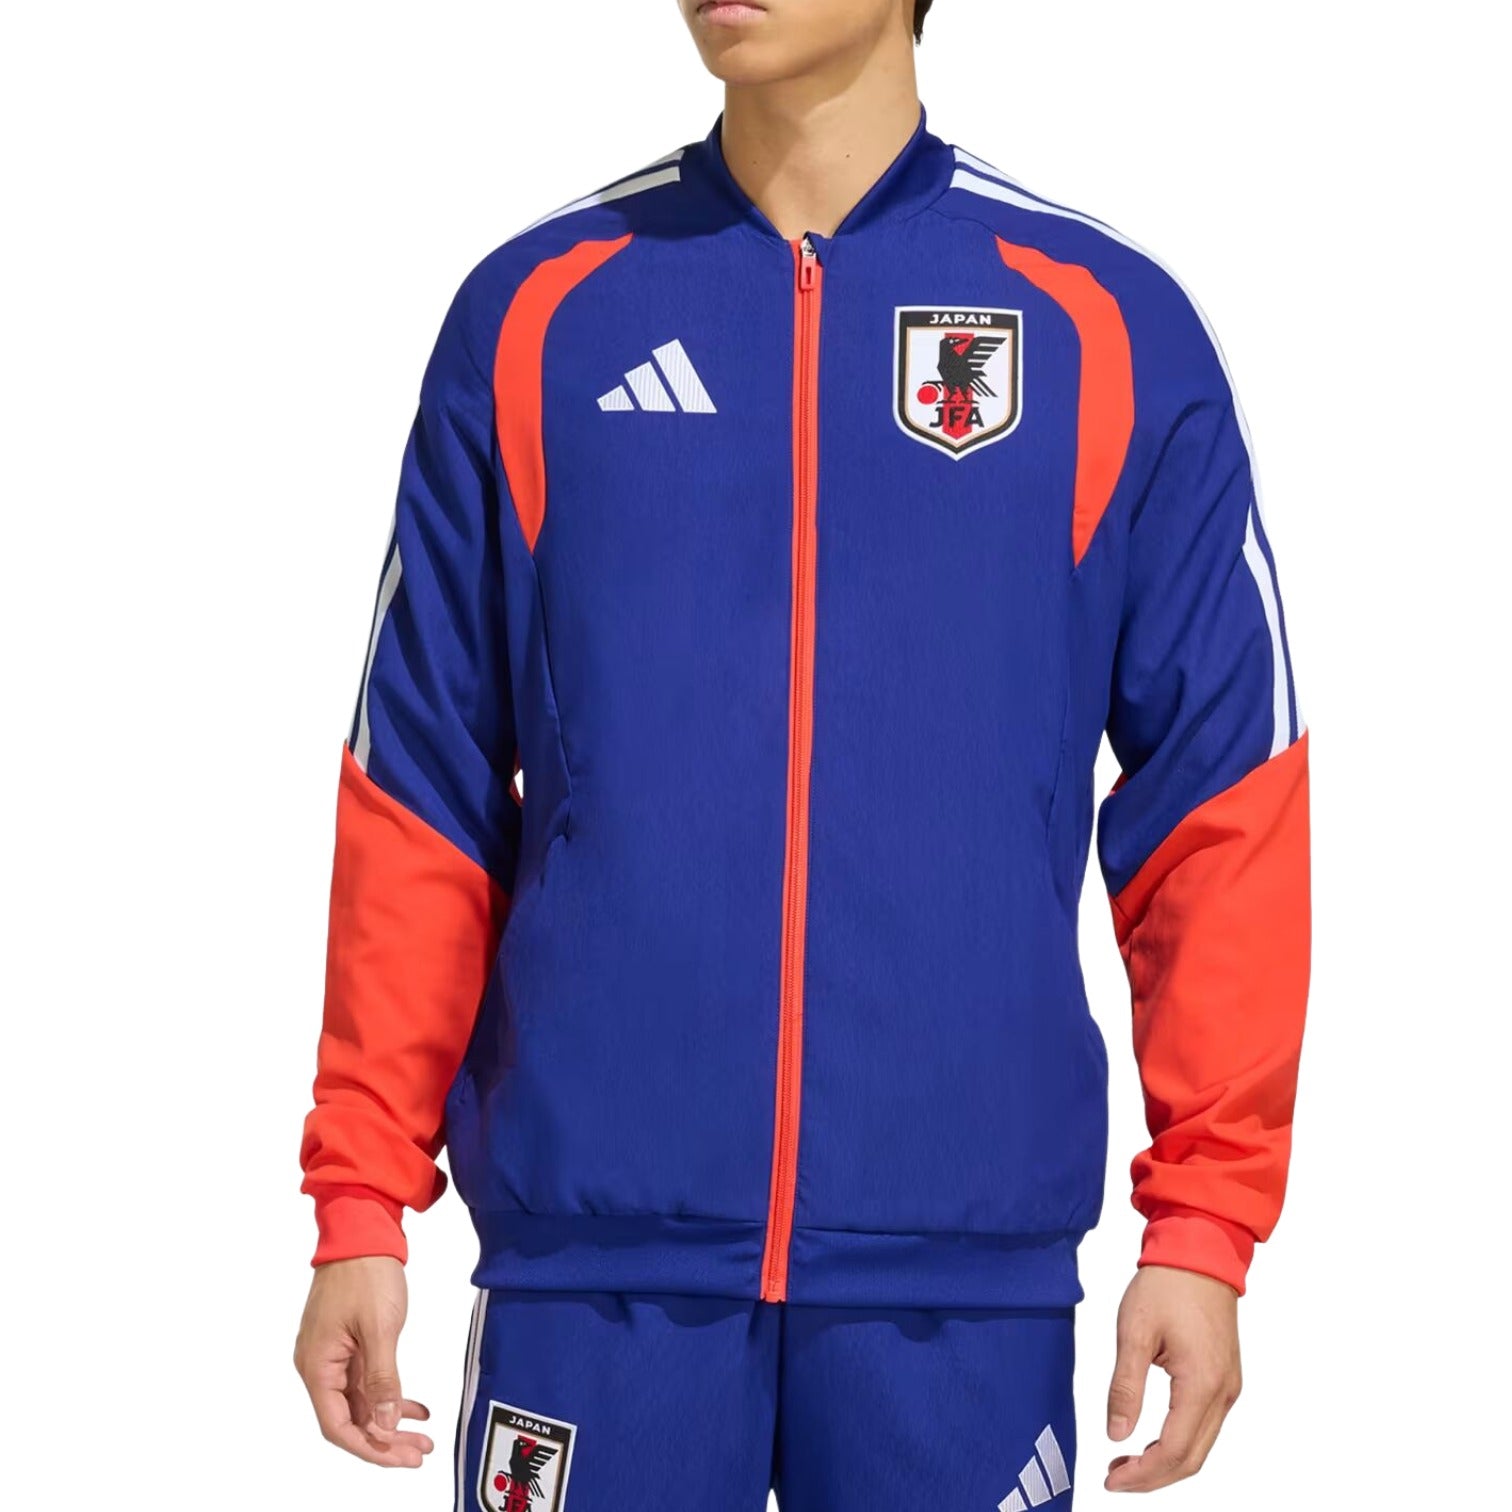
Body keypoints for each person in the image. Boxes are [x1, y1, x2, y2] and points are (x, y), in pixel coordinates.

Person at [293, 0, 1311, 1506]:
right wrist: (361, 1196)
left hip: (958, 1293)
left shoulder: (1105, 327)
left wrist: (1207, 1222)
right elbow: (422, 783)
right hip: (598, 1281)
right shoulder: (541, 313)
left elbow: (1221, 805)